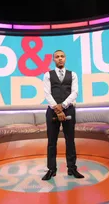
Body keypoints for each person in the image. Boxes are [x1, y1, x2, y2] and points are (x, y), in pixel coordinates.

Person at [41, 50, 84, 181]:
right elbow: (47, 94)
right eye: (57, 57)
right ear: (53, 59)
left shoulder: (73, 75)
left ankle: (72, 168)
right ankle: (51, 170)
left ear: (65, 59)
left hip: (69, 110)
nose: (60, 59)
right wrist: (57, 110)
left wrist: (63, 106)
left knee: (70, 141)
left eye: (62, 56)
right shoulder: (47, 75)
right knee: (51, 142)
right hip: (52, 111)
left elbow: (75, 92)